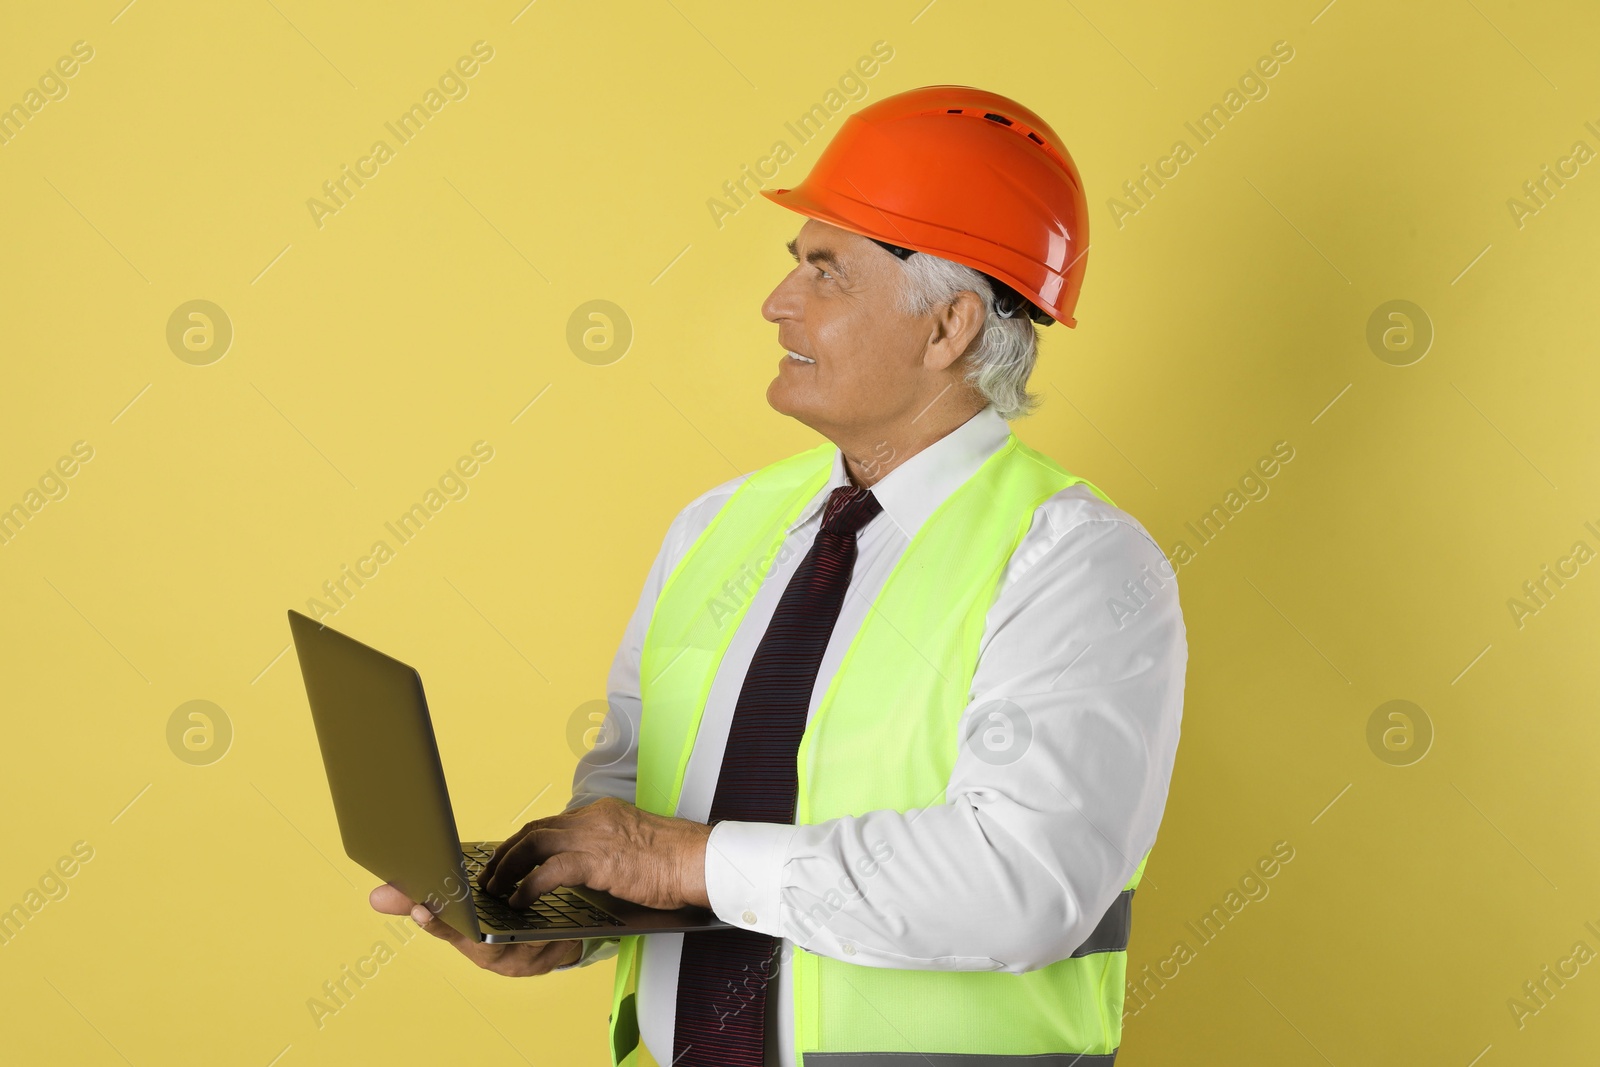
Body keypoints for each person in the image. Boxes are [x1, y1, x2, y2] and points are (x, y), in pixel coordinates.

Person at [372, 84, 1186, 1066]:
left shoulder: (1071, 561)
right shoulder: (716, 526)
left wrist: (671, 858)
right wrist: (571, 912)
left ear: (949, 328)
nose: (777, 301)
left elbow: (1022, 881)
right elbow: (632, 790)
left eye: (826, 270)